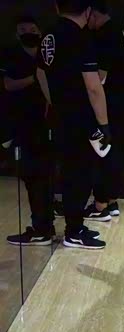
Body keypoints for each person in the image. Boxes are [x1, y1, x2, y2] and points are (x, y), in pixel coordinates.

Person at [36, 0, 112, 249]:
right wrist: (104, 125)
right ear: (87, 11)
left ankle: (67, 227)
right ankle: (74, 230)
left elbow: (41, 73)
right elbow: (93, 87)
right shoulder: (80, 38)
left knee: (66, 170)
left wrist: (54, 102)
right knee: (80, 173)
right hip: (82, 118)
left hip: (60, 115)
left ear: (57, 7)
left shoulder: (48, 36)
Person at [4, 15, 56, 246]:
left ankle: (42, 228)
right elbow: (8, 84)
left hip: (47, 125)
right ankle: (42, 225)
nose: (29, 33)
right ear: (17, 35)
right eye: (23, 29)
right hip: (23, 124)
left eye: (32, 29)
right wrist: (36, 78)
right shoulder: (12, 57)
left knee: (41, 176)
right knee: (31, 176)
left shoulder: (49, 55)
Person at [87, 0, 124, 219]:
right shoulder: (118, 32)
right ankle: (112, 201)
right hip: (121, 103)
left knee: (102, 152)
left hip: (108, 105)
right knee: (114, 152)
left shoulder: (105, 35)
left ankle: (100, 205)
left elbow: (100, 78)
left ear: (93, 13)